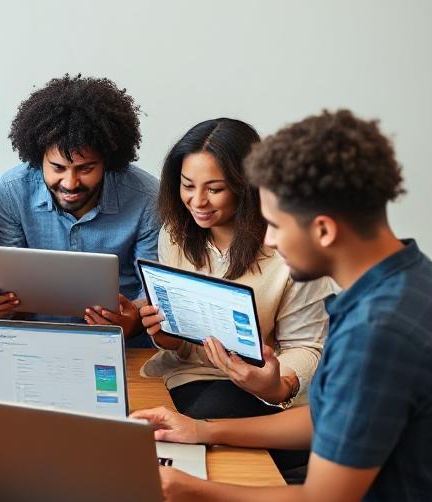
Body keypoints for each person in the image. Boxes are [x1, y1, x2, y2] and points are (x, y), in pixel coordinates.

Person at [132, 110, 432, 502]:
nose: (268, 240)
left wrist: (192, 491)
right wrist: (204, 430)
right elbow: (327, 419)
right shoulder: (408, 281)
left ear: (322, 229)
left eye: (275, 225)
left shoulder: (379, 332)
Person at [139, 119, 333, 421]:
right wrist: (168, 337)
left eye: (215, 189)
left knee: (205, 417)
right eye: (187, 185)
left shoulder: (290, 245)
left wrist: (279, 385)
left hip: (265, 393)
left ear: (246, 187)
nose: (197, 201)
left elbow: (306, 346)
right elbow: (182, 345)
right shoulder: (174, 232)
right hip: (188, 378)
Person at [0, 74, 160, 341]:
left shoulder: (146, 197)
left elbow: (152, 290)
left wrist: (133, 317)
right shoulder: (13, 190)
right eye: (57, 168)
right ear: (38, 157)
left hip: (123, 344)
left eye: (85, 169)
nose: (70, 183)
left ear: (108, 162)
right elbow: (6, 281)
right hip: (35, 339)